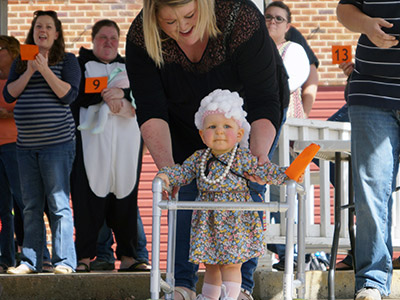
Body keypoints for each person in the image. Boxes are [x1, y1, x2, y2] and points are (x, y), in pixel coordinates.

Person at [125, 0, 283, 299]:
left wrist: (257, 160)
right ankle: (181, 284)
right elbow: (151, 109)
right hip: (182, 118)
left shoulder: (240, 17)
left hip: (246, 117)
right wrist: (169, 170)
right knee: (184, 193)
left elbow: (264, 100)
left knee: (247, 190)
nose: (182, 28)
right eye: (169, 23)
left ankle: (242, 288)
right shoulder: (140, 37)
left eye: (188, 16)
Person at [156, 89, 293, 300]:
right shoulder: (199, 158)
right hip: (207, 218)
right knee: (211, 264)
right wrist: (166, 176)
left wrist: (286, 174)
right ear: (202, 134)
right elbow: (182, 172)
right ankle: (208, 297)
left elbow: (264, 170)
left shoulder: (242, 157)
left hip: (235, 219)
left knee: (231, 265)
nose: (219, 131)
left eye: (227, 126)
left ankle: (230, 297)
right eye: (212, 127)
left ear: (239, 134)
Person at [3, 10, 80, 275]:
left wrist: (45, 69)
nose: (42, 30)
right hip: (25, 146)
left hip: (57, 144)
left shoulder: (68, 60)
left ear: (57, 34)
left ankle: (64, 262)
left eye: (48, 26)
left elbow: (68, 96)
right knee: (30, 206)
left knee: (58, 204)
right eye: (38, 26)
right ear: (33, 32)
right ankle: (30, 262)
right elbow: (9, 94)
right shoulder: (21, 62)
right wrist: (30, 70)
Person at [337, 1, 400, 299]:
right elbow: (344, 8)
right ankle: (372, 281)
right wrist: (365, 25)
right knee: (370, 190)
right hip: (371, 89)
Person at [70, 19, 143, 273]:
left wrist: (122, 94)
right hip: (92, 142)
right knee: (87, 198)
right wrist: (105, 94)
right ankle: (84, 257)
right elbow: (75, 94)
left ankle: (129, 256)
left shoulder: (131, 67)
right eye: (103, 37)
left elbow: (145, 94)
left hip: (127, 141)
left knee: (125, 196)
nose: (108, 42)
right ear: (93, 39)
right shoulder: (80, 65)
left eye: (113, 38)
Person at [263, 0, 310, 271]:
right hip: (263, 133)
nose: (272, 22)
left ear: (288, 25)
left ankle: (292, 254)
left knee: (286, 193)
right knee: (267, 192)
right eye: (268, 17)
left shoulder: (293, 50)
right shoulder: (256, 52)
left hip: (288, 134)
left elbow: (288, 81)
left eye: (279, 19)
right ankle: (274, 250)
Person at [77, 67, 135, 134]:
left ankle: (100, 126)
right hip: (106, 97)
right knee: (92, 107)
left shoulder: (128, 70)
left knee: (104, 109)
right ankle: (88, 122)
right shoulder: (83, 65)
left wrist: (123, 93)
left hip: (124, 107)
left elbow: (138, 91)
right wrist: (108, 96)